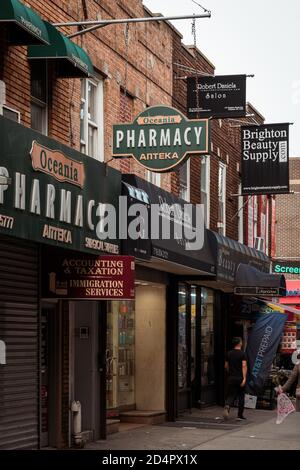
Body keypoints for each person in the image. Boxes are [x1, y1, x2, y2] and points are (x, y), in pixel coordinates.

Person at [223, 337, 247, 420]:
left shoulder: (229, 353)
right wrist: (244, 378)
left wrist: (230, 372)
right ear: (240, 343)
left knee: (231, 395)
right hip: (240, 377)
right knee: (241, 396)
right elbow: (244, 366)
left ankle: (227, 405)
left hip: (231, 377)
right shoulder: (242, 354)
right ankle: (240, 415)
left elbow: (226, 366)